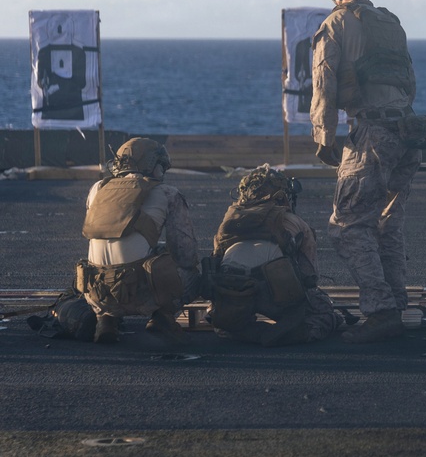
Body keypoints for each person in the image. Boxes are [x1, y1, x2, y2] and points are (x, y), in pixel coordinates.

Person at [310, 0, 426, 343]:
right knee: (387, 224)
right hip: (408, 132)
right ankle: (397, 304)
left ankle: (380, 312)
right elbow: (409, 81)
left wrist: (323, 137)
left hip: (372, 133)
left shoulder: (336, 24)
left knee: (347, 225)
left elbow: (324, 82)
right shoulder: (391, 22)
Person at [76, 137, 200, 343]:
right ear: (153, 165)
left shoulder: (97, 189)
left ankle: (105, 319)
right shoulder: (167, 193)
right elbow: (185, 254)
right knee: (193, 274)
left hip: (98, 294)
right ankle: (163, 315)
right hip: (142, 297)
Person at [207, 165, 342, 346]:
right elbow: (309, 276)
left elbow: (215, 262)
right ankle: (287, 333)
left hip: (235, 293)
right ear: (282, 194)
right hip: (274, 294)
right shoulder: (294, 221)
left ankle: (245, 331)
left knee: (223, 327)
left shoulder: (229, 221)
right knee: (324, 313)